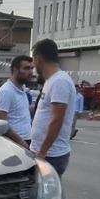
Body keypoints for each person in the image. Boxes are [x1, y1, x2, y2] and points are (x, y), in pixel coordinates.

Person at [30, 39, 76, 176]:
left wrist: (43, 151)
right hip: (44, 152)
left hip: (51, 155)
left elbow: (57, 119)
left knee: (49, 196)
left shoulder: (60, 81)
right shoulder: (51, 80)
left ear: (38, 58)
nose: (33, 64)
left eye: (33, 59)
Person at [0, 55, 34, 147]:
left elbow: (19, 113)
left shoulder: (22, 89)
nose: (31, 72)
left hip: (26, 140)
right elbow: (0, 123)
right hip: (14, 144)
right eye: (27, 68)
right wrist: (22, 143)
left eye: (32, 68)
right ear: (15, 70)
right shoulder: (6, 92)